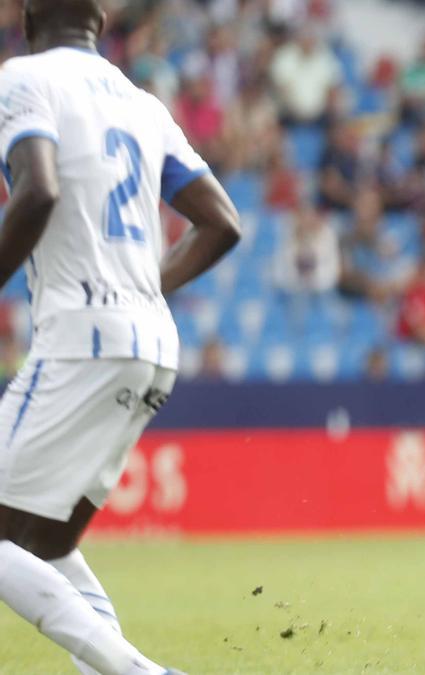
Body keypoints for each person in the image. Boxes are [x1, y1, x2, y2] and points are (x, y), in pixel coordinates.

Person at [0, 1, 241, 673]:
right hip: (151, 343)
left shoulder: (22, 78)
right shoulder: (143, 104)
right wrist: (141, 290)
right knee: (42, 543)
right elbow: (222, 221)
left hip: (83, 333)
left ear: (29, 14)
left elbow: (39, 189)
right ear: (100, 21)